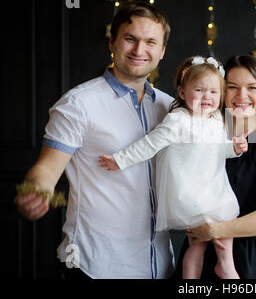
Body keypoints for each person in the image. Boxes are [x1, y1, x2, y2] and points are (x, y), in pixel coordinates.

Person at [13, 2, 176, 279]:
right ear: (112, 42)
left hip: (161, 264)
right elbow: (46, 170)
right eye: (130, 39)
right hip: (96, 265)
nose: (139, 50)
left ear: (161, 51)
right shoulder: (79, 104)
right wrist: (36, 190)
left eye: (150, 42)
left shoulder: (170, 108)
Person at [98, 55, 248, 279]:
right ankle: (222, 268)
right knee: (203, 235)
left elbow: (218, 150)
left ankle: (222, 265)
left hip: (213, 186)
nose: (207, 97)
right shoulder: (178, 120)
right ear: (182, 92)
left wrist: (234, 148)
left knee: (214, 227)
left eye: (214, 92)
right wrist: (120, 159)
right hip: (189, 192)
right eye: (199, 90)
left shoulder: (216, 119)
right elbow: (149, 144)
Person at [176, 54, 256, 279]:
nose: (242, 96)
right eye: (232, 87)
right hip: (197, 252)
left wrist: (216, 230)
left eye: (252, 88)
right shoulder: (208, 128)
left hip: (242, 261)